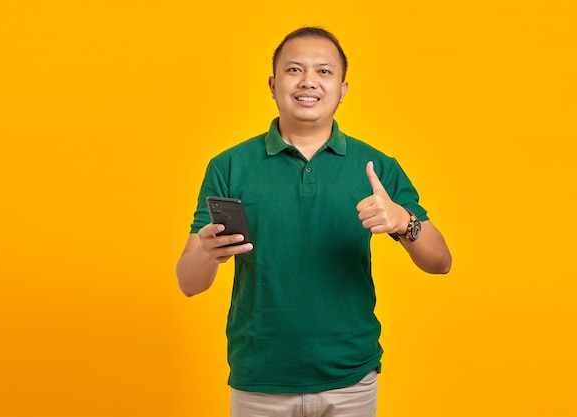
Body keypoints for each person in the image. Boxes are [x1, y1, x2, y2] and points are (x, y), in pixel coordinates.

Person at [176, 26, 452, 417]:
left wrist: (404, 221)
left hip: (350, 379)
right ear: (273, 85)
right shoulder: (229, 166)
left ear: (342, 89)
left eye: (324, 72)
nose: (309, 82)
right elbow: (189, 283)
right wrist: (207, 252)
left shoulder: (376, 166)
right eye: (294, 70)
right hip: (261, 379)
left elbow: (439, 262)